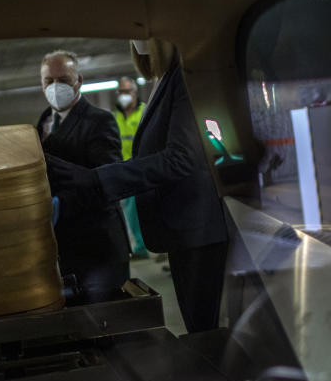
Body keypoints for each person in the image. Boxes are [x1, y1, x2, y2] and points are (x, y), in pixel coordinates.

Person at [46, 39, 228, 333]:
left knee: (207, 331)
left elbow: (182, 159)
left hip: (198, 229)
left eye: (140, 31)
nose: (135, 40)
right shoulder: (165, 79)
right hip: (183, 231)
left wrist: (98, 179)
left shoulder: (185, 75)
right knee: (199, 328)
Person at [35, 50, 130, 301]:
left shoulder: (99, 121)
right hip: (64, 248)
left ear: (79, 80)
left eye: (63, 79)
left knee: (105, 323)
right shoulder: (42, 123)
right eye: (49, 81)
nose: (56, 87)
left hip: (98, 245)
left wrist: (61, 204)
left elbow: (107, 182)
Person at [113, 76, 149, 259]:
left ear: (135, 93)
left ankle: (150, 244)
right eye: (120, 92)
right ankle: (140, 247)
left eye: (127, 91)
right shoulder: (115, 118)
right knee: (131, 212)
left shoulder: (145, 112)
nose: (123, 95)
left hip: (145, 169)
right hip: (125, 172)